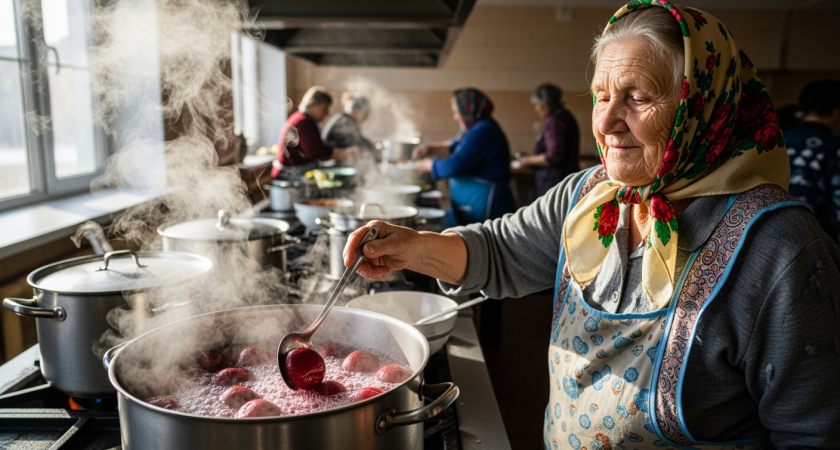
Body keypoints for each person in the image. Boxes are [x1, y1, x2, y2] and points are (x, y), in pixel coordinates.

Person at [345, 4, 840, 448]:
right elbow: (500, 251)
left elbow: (814, 432)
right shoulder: (589, 194)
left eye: (637, 97)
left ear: (702, 107)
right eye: (601, 96)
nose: (605, 123)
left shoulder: (782, 251)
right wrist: (414, 247)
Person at [412, 88, 516, 226]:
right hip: (475, 204)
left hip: (488, 204)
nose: (455, 117)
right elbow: (454, 146)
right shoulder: (473, 128)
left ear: (469, 111)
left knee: (489, 238)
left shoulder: (483, 130)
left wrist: (428, 165)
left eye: (457, 112)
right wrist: (430, 149)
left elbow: (454, 165)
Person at [784, 80, 840, 244]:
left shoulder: (776, 142)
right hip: (818, 242)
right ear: (836, 112)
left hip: (768, 237)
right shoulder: (834, 148)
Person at [271, 86, 358, 178]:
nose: (327, 113)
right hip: (289, 176)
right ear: (312, 105)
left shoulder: (301, 118)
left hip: (292, 173)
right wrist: (345, 153)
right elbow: (316, 152)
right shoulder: (304, 122)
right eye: (325, 108)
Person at [518, 83, 581, 197]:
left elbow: (554, 155)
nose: (536, 108)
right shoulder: (564, 115)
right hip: (565, 178)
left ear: (545, 103)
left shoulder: (555, 121)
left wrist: (528, 160)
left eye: (537, 104)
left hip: (555, 181)